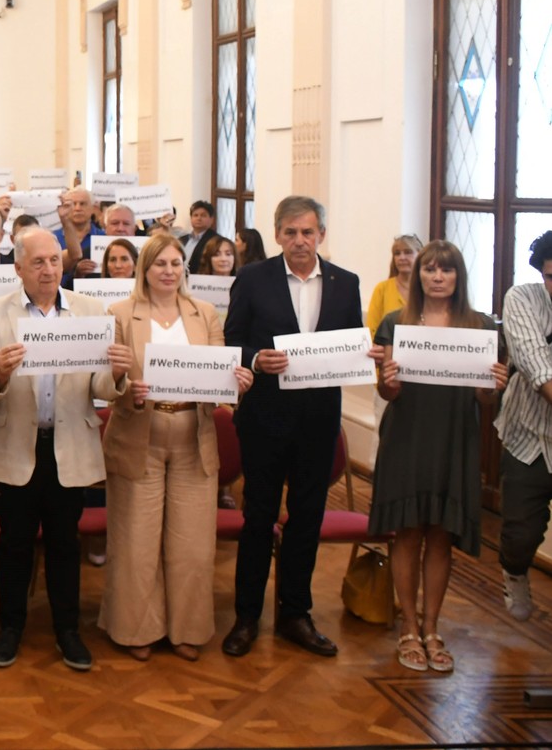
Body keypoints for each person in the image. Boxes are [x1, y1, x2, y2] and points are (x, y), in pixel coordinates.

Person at [221, 196, 371, 659]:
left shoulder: (347, 284)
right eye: (290, 232)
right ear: (278, 233)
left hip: (319, 421)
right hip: (265, 418)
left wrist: (369, 355)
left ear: (321, 234)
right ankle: (246, 616)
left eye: (308, 232)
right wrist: (253, 359)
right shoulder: (252, 278)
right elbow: (232, 339)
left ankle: (295, 614)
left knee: (307, 519)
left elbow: (352, 341)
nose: (299, 241)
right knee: (258, 519)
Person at [0, 227, 122, 672]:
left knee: (64, 544)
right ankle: (10, 627)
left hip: (68, 446)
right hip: (17, 446)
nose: (49, 269)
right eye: (38, 262)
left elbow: (101, 387)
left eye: (55, 261)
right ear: (17, 268)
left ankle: (68, 630)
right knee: (15, 543)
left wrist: (115, 373)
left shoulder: (90, 311)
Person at [97, 235, 252, 660]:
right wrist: (127, 388)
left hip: (193, 433)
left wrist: (236, 382)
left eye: (175, 262)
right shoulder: (120, 314)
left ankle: (186, 628)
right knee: (136, 541)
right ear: (144, 269)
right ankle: (136, 630)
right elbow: (108, 382)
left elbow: (220, 370)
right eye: (160, 263)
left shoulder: (204, 314)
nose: (168, 270)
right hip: (138, 433)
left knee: (192, 542)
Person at [371, 239, 506, 673]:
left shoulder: (480, 325)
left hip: (455, 438)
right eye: (430, 269)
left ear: (458, 277)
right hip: (409, 434)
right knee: (409, 531)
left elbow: (484, 400)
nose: (437, 277)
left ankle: (433, 627)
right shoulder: (397, 323)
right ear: (420, 276)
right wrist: (388, 378)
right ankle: (408, 626)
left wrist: (494, 385)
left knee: (441, 534)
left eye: (446, 270)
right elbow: (387, 392)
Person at [498, 229, 552, 623]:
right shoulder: (522, 299)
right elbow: (537, 368)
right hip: (528, 438)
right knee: (521, 534)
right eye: (551, 276)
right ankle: (514, 571)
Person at [366, 234, 423, 336]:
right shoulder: (382, 289)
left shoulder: (427, 289)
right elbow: (371, 329)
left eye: (408, 252)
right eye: (397, 253)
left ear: (420, 255)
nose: (401, 257)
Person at [54, 188, 103, 285]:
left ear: (93, 208)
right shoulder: (52, 238)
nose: (77, 208)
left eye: (82, 204)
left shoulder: (104, 238)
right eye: (72, 204)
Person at [180, 201, 220, 274]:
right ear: (191, 218)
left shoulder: (217, 241)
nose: (199, 218)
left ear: (211, 219)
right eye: (195, 215)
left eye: (203, 215)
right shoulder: (182, 239)